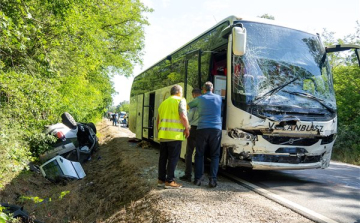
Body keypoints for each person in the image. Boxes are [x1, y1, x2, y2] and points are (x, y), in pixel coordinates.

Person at [188, 81, 222, 188]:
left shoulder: (200, 99)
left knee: (199, 154)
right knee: (215, 155)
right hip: (216, 129)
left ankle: (198, 179)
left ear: (203, 89)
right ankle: (213, 180)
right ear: (212, 89)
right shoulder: (219, 98)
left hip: (202, 128)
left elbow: (188, 106)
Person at [157, 85, 190, 189]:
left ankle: (161, 179)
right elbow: (183, 116)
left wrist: (160, 131)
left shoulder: (163, 103)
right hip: (174, 136)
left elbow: (158, 120)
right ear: (179, 92)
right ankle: (170, 181)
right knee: (173, 158)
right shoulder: (181, 100)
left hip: (163, 135)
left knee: (163, 158)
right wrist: (187, 128)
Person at [179, 88, 202, 182]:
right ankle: (198, 177)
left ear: (193, 95)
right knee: (200, 154)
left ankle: (188, 175)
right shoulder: (205, 104)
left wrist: (186, 128)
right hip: (203, 130)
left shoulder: (194, 104)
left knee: (189, 153)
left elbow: (188, 118)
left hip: (194, 129)